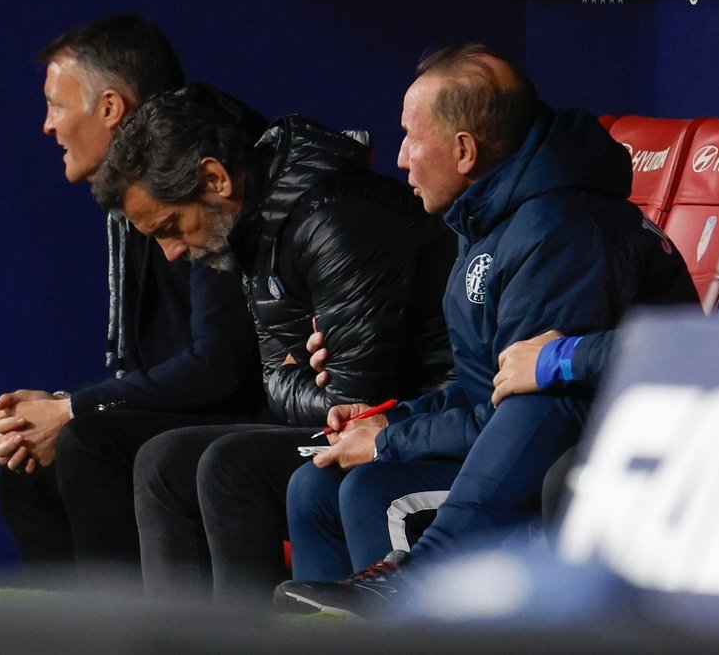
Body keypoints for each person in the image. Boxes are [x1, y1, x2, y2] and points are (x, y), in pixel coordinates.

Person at [276, 43, 698, 619]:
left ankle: (413, 586)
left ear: (465, 151)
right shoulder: (488, 220)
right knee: (314, 488)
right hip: (515, 438)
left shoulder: (561, 229)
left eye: (410, 137)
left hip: (604, 459)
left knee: (374, 488)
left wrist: (390, 442)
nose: (399, 157)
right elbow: (486, 386)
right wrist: (392, 419)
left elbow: (537, 409)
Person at [91, 84, 457, 602]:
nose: (171, 252)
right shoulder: (257, 229)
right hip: (378, 414)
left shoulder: (333, 220)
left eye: (171, 226)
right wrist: (295, 371)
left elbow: (349, 408)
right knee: (163, 460)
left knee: (229, 465)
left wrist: (293, 372)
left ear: (214, 179)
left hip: (425, 420)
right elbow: (275, 376)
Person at [0, 15, 267, 589]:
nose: (46, 126)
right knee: (25, 459)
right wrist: (66, 406)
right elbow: (152, 365)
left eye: (55, 106)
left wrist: (74, 410)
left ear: (111, 108)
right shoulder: (127, 196)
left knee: (87, 442)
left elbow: (222, 365)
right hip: (188, 405)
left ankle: (124, 635)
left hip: (256, 413)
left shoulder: (195, 174)